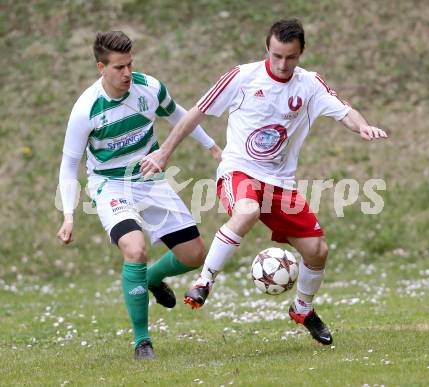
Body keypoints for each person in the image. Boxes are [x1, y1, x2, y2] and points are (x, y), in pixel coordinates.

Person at [140, 19, 388, 346]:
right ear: (266, 48)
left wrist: (364, 126)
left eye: (291, 58)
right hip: (239, 170)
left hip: (281, 182)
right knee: (246, 211)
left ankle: (302, 308)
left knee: (317, 250)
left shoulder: (310, 84)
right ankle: (204, 280)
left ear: (301, 53)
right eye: (277, 56)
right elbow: (195, 114)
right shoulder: (242, 77)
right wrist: (164, 154)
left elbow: (345, 111)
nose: (283, 64)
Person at [56, 31, 222, 360]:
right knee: (135, 249)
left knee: (194, 255)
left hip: (150, 178)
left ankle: (150, 279)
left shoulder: (149, 88)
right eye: (119, 67)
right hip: (110, 185)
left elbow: (179, 115)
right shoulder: (86, 110)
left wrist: (213, 146)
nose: (127, 73)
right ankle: (142, 340)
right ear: (100, 67)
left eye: (130, 64)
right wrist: (69, 216)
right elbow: (68, 165)